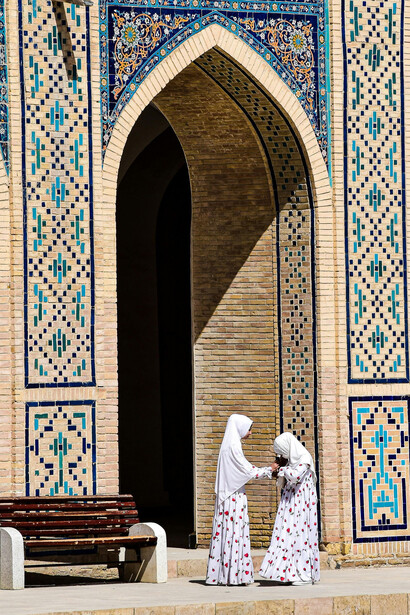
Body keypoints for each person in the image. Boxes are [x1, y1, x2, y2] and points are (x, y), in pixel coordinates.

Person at [206, 414, 274, 585]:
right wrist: (268, 470)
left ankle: (227, 574)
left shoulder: (229, 446)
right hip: (233, 498)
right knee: (234, 533)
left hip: (230, 496)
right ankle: (234, 576)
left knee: (230, 534)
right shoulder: (233, 447)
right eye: (249, 429)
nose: (250, 433)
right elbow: (247, 470)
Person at [259, 432, 320, 586]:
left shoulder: (304, 459)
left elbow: (295, 476)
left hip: (301, 505)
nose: (281, 455)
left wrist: (279, 470)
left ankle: (303, 574)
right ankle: (287, 573)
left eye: (282, 451)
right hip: (290, 504)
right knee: (287, 536)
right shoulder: (290, 461)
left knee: (300, 536)